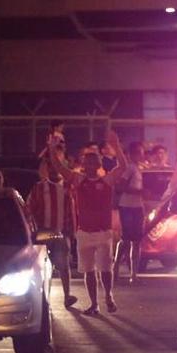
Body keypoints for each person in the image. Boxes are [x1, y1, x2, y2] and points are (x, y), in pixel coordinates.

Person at [47, 129, 129, 315]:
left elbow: (123, 167)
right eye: (87, 161)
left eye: (94, 161)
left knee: (105, 270)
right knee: (88, 271)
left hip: (103, 232)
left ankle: (108, 296)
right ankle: (94, 304)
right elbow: (59, 168)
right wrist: (52, 150)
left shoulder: (107, 180)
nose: (91, 164)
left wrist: (116, 146)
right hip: (84, 232)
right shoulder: (78, 179)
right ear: (83, 163)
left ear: (100, 163)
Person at [28, 154, 78, 308]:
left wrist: (71, 233)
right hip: (43, 233)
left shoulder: (67, 189)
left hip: (60, 232)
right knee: (41, 267)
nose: (54, 170)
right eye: (51, 167)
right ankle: (41, 299)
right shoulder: (39, 188)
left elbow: (72, 212)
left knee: (63, 264)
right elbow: (29, 210)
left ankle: (67, 295)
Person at [113, 141, 147, 283]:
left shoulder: (139, 169)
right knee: (126, 239)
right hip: (127, 206)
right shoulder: (129, 168)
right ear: (132, 154)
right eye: (139, 152)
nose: (141, 154)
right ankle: (115, 268)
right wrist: (139, 192)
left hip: (137, 206)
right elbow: (120, 187)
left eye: (142, 152)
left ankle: (134, 274)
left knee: (137, 241)